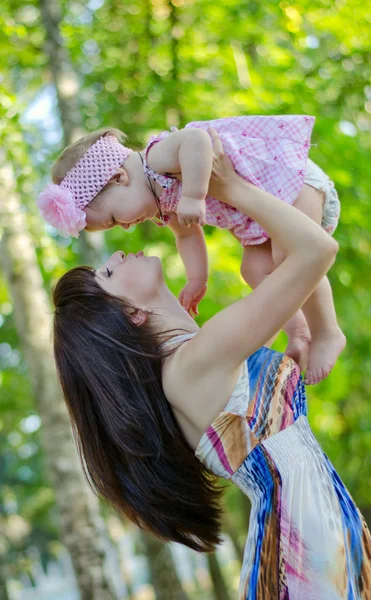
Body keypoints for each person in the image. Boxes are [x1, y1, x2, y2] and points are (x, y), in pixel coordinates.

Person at [52, 130, 370, 599]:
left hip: (317, 526)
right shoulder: (193, 363)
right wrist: (229, 187)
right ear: (131, 314)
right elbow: (316, 250)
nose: (117, 252)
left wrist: (298, 339)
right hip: (307, 541)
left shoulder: (192, 361)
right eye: (109, 273)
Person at [38, 116, 345, 385]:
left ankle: (328, 331)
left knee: (287, 257)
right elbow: (187, 237)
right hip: (264, 213)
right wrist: (198, 279)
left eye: (115, 219)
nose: (127, 227)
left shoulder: (156, 160)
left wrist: (195, 196)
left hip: (292, 182)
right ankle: (299, 331)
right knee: (253, 270)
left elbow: (197, 140)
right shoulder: (163, 205)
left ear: (120, 177)